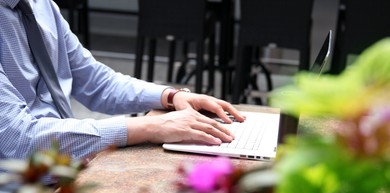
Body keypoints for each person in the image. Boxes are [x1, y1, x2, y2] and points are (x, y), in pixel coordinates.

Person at [0, 0, 245, 161]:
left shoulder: (41, 5)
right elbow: (19, 140)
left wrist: (171, 97)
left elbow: (96, 82)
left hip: (64, 167)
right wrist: (150, 127)